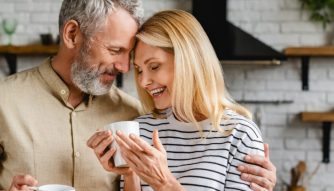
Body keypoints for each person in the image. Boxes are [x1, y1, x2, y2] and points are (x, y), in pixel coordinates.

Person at [87, 9, 276, 191]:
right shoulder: (140, 130)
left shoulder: (240, 135)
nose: (143, 82)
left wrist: (165, 183)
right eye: (139, 70)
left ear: (188, 61)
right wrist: (130, 175)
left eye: (154, 66)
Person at [0, 1, 143, 191]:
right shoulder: (5, 99)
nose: (124, 67)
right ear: (72, 34)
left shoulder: (132, 113)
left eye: (129, 54)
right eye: (115, 50)